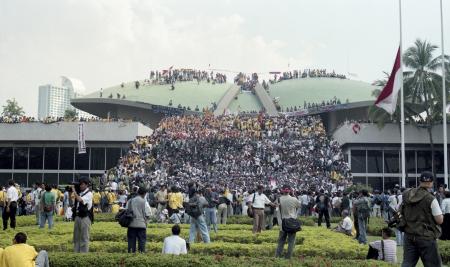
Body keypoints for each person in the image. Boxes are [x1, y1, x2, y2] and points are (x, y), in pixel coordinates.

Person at [401, 171, 443, 267]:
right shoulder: (431, 198)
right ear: (431, 183)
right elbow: (439, 220)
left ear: (420, 181)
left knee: (407, 263)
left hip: (409, 235)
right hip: (426, 237)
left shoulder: (406, 194)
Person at [275, 185, 300, 259]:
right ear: (290, 190)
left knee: (281, 241)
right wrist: (294, 195)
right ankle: (288, 257)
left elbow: (277, 210)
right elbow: (299, 206)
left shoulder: (278, 199)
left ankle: (278, 256)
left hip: (282, 223)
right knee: (291, 241)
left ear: (282, 190)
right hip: (292, 222)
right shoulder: (294, 199)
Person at [127, 187, 151, 253]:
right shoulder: (144, 201)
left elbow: (127, 211)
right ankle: (141, 255)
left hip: (131, 224)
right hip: (141, 224)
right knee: (142, 242)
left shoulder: (130, 201)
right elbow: (147, 213)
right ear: (144, 194)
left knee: (131, 242)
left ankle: (131, 255)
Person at [72, 177, 93, 253]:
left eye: (82, 184)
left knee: (84, 237)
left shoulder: (89, 193)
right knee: (76, 237)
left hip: (85, 217)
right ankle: (76, 253)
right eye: (80, 184)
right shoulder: (80, 192)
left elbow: (80, 200)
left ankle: (83, 255)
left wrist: (74, 190)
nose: (80, 186)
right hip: (78, 216)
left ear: (86, 185)